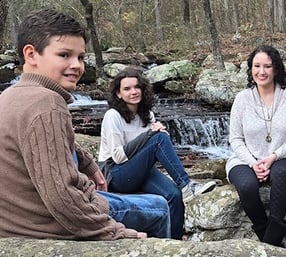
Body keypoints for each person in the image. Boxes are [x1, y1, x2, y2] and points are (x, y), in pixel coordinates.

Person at [0, 8, 172, 240]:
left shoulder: (10, 96)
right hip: (46, 224)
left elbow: (48, 142)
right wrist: (116, 234)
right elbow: (61, 197)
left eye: (80, 57)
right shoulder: (47, 103)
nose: (77, 66)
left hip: (18, 217)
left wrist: (87, 163)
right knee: (159, 207)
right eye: (64, 55)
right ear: (31, 54)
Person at [98, 67, 216, 240]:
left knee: (174, 196)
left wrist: (153, 136)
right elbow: (118, 156)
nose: (133, 92)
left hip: (139, 171)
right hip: (116, 174)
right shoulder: (113, 116)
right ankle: (186, 184)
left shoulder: (147, 115)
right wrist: (150, 135)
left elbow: (148, 151)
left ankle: (173, 244)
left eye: (137, 87)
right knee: (158, 137)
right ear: (118, 94)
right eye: (127, 88)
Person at [225, 45, 286, 247]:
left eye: (267, 66)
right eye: (257, 66)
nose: (262, 72)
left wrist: (273, 156)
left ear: (276, 69)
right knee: (246, 186)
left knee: (281, 175)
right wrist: (253, 163)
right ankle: (269, 238)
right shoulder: (242, 98)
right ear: (250, 69)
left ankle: (270, 242)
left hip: (281, 156)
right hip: (245, 159)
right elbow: (235, 139)